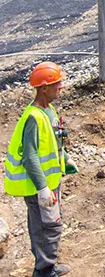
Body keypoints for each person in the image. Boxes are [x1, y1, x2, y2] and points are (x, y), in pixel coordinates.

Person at [5, 62, 74, 277]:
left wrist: (65, 159)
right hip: (40, 186)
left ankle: (47, 266)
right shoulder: (34, 118)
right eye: (56, 84)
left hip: (51, 182)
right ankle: (44, 271)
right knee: (47, 227)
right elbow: (30, 155)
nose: (60, 87)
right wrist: (42, 188)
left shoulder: (49, 111)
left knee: (47, 225)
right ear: (43, 88)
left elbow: (52, 143)